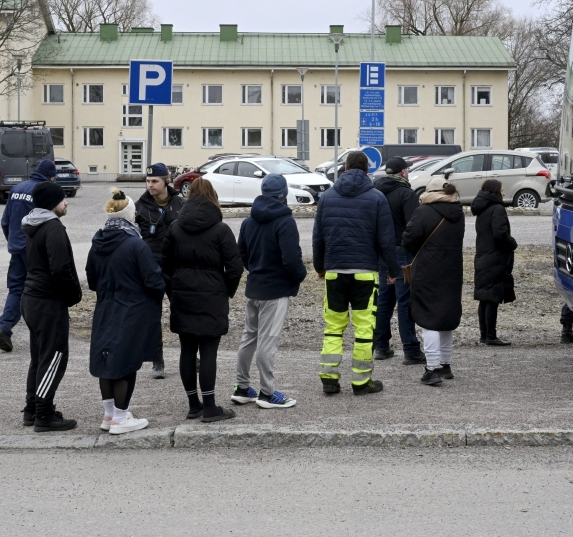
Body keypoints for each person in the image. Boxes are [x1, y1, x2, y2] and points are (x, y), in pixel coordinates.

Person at [313, 151, 400, 396]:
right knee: (364, 328)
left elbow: (318, 238)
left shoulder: (327, 197)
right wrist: (392, 270)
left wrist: (321, 268)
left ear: (346, 167)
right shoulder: (376, 198)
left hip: (334, 272)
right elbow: (386, 239)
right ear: (367, 171)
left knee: (333, 326)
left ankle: (329, 378)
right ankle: (361, 381)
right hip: (365, 273)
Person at [162, 178, 243, 422]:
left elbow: (164, 266)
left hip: (183, 296)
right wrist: (225, 290)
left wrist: (173, 293)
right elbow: (236, 268)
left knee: (187, 350)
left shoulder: (175, 227)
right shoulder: (220, 230)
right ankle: (210, 406)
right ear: (213, 198)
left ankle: (193, 404)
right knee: (209, 352)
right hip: (212, 297)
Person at [86, 189, 165, 434]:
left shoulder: (98, 241)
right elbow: (154, 281)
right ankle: (121, 418)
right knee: (126, 362)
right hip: (131, 310)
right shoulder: (135, 244)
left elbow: (91, 280)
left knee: (107, 360)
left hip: (105, 307)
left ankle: (109, 415)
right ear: (130, 215)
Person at [232, 174, 307, 409]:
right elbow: (292, 259)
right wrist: (299, 276)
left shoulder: (248, 221)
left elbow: (241, 254)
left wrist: (255, 269)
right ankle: (267, 392)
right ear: (283, 194)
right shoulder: (285, 222)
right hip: (275, 290)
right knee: (268, 342)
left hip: (254, 286)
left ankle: (242, 387)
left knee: (249, 338)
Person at [21, 181, 82, 432]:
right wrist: (72, 296)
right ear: (51, 203)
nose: (66, 202)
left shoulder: (33, 225)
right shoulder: (53, 227)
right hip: (47, 302)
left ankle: (32, 409)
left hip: (31, 299)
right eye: (62, 199)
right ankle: (43, 415)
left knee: (39, 358)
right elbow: (60, 269)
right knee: (54, 357)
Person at [401, 176, 465, 386]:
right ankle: (445, 365)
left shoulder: (424, 212)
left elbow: (408, 240)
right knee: (446, 318)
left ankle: (432, 368)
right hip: (453, 269)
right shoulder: (459, 213)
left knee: (429, 319)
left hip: (428, 270)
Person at [0, 159, 58, 352]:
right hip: (36, 250)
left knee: (16, 289)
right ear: (52, 177)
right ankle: (43, 332)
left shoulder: (17, 189)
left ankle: (4, 326)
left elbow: (5, 221)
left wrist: (13, 242)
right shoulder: (45, 191)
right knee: (41, 289)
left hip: (17, 249)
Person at [135, 162, 185, 379]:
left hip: (175, 268)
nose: (150, 185)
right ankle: (157, 360)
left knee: (183, 312)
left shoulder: (180, 204)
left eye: (154, 181)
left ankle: (191, 355)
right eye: (147, 181)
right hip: (151, 269)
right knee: (152, 315)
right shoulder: (139, 206)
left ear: (167, 180)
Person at [373, 156, 423, 364]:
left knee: (384, 300)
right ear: (403, 172)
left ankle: (381, 347)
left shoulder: (376, 193)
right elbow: (413, 225)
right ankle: (410, 350)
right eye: (407, 170)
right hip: (402, 251)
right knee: (404, 300)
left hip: (382, 251)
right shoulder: (406, 193)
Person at [471, 179, 517, 346]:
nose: (504, 191)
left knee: (484, 298)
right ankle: (491, 336)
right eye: (502, 188)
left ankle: (484, 335)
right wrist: (512, 243)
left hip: (482, 256)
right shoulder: (497, 209)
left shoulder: (482, 209)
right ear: (496, 190)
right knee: (492, 298)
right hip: (495, 258)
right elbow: (500, 234)